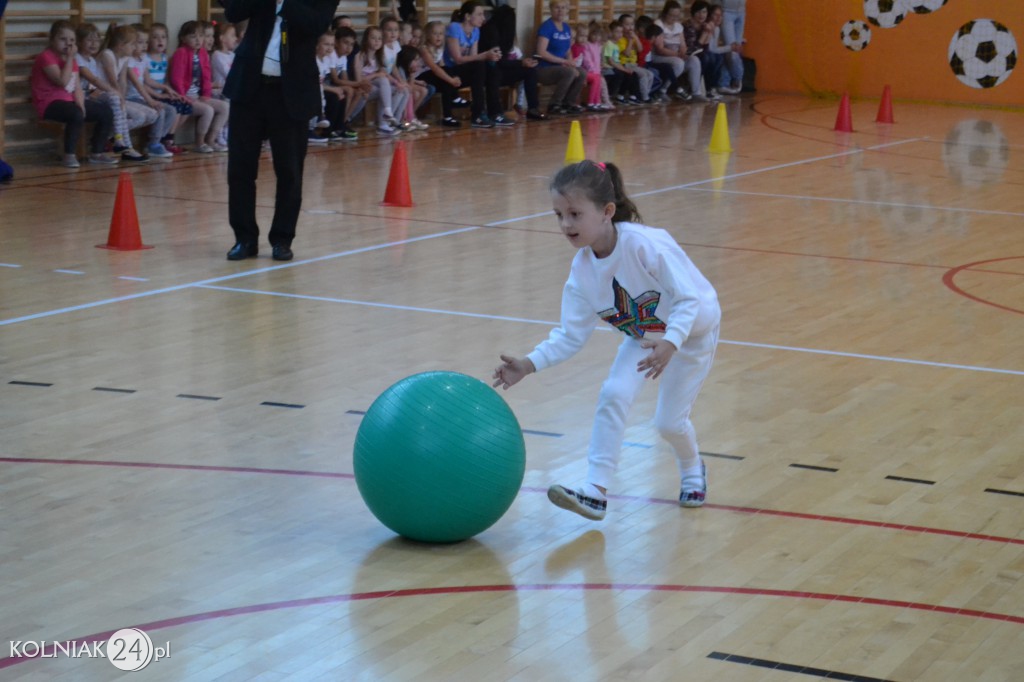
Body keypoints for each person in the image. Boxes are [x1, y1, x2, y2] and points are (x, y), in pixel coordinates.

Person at [493, 160, 720, 521]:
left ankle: (693, 469)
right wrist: (528, 363)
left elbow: (690, 299)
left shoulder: (645, 245)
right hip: (646, 338)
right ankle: (595, 491)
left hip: (691, 333)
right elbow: (570, 335)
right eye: (559, 215)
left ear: (607, 212)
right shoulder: (582, 272)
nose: (566, 224)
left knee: (668, 423)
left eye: (574, 214)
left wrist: (673, 341)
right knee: (613, 393)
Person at [221, 0, 338, 262]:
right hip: (249, 86)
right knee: (240, 169)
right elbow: (233, 11)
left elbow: (316, 24)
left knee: (289, 171)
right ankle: (245, 238)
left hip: (292, 93)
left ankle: (282, 239)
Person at [31, 20, 116, 167]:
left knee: (105, 112)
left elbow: (76, 87)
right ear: (52, 40)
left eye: (71, 40)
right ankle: (69, 155)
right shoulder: (46, 57)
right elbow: (62, 81)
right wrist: (70, 58)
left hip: (69, 101)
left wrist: (81, 104)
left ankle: (97, 152)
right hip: (49, 104)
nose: (68, 44)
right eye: (62, 39)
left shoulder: (72, 61)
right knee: (75, 114)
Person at [444, 0, 511, 128]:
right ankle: (478, 113)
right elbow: (457, 59)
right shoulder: (454, 27)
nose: (483, 18)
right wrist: (484, 55)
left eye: (483, 14)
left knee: (491, 68)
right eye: (479, 14)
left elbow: (473, 57)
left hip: (466, 69)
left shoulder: (476, 31)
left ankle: (495, 112)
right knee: (480, 66)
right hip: (450, 70)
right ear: (468, 16)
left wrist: (491, 57)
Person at [169, 20, 229, 153]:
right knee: (207, 110)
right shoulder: (181, 53)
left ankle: (211, 140)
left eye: (200, 36)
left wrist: (205, 95)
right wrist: (183, 96)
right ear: (183, 38)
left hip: (198, 95)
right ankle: (199, 143)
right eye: (193, 36)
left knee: (225, 107)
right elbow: (176, 78)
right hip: (185, 96)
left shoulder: (203, 54)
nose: (198, 40)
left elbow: (206, 77)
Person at [125, 25, 176, 158]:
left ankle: (157, 141)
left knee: (171, 110)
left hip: (143, 97)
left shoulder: (143, 60)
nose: (144, 46)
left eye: (146, 42)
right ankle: (153, 145)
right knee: (160, 110)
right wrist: (151, 100)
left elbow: (147, 81)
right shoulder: (129, 61)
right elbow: (137, 84)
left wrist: (165, 88)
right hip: (132, 97)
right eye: (140, 42)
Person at [535, 0, 586, 115]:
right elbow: (541, 52)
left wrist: (571, 62)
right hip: (543, 68)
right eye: (557, 7)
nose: (560, 10)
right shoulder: (546, 27)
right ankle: (554, 104)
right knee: (569, 72)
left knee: (582, 72)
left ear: (567, 10)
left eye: (563, 8)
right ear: (551, 9)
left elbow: (567, 50)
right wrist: (565, 62)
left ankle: (569, 103)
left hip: (561, 67)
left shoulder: (566, 28)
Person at [355, 26, 407, 135]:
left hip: (376, 86)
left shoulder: (379, 56)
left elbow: (386, 74)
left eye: (379, 38)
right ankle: (385, 119)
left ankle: (391, 121)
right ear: (366, 39)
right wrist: (376, 74)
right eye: (373, 38)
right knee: (383, 81)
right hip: (365, 87)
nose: (377, 41)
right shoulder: (360, 56)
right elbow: (359, 80)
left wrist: (397, 83)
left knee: (400, 90)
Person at [653, 0, 701, 100]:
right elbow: (659, 49)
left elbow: (683, 44)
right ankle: (662, 90)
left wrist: (685, 52)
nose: (674, 18)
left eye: (677, 16)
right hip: (659, 56)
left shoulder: (678, 26)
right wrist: (677, 54)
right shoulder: (658, 24)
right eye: (672, 16)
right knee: (678, 63)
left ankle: (696, 93)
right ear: (665, 14)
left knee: (694, 60)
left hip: (675, 55)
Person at [417, 20, 462, 127]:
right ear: (428, 35)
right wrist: (451, 80)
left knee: (446, 79)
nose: (438, 37)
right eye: (435, 33)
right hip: (420, 77)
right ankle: (454, 98)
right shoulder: (424, 49)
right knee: (445, 80)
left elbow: (442, 66)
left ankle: (448, 117)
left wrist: (453, 77)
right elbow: (434, 68)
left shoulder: (439, 48)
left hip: (432, 76)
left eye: (441, 34)